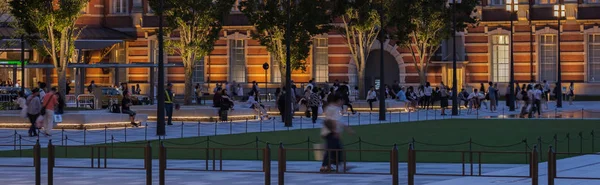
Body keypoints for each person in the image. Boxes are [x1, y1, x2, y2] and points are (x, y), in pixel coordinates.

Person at [320, 95, 353, 172]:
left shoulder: (329, 107)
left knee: (337, 148)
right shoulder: (335, 109)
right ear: (338, 100)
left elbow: (337, 121)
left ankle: (339, 164)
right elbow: (334, 121)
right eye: (342, 100)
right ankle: (325, 166)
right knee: (331, 149)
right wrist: (335, 131)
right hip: (331, 132)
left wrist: (347, 129)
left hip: (328, 131)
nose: (343, 102)